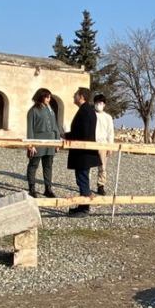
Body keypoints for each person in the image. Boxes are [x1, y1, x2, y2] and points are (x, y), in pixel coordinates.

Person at [65, 87, 98, 215]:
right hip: (83, 152)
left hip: (83, 152)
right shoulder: (87, 110)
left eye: (75, 94)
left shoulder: (85, 111)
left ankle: (84, 208)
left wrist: (67, 135)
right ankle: (82, 205)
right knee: (81, 178)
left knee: (82, 178)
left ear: (81, 97)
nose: (74, 96)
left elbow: (82, 133)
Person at [25, 88, 60, 198]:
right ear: (41, 96)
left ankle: (48, 189)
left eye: (50, 97)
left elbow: (55, 126)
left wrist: (57, 141)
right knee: (33, 165)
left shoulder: (50, 109)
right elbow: (30, 129)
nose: (49, 99)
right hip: (38, 141)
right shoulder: (33, 111)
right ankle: (32, 188)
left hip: (50, 141)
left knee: (48, 166)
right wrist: (31, 145)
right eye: (47, 97)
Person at [92, 93, 116, 196]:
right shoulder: (91, 115)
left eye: (101, 103)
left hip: (103, 144)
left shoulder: (108, 117)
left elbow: (110, 132)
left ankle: (101, 185)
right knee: (88, 165)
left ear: (104, 104)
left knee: (102, 166)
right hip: (91, 143)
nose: (99, 105)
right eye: (97, 103)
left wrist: (110, 147)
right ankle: (85, 186)